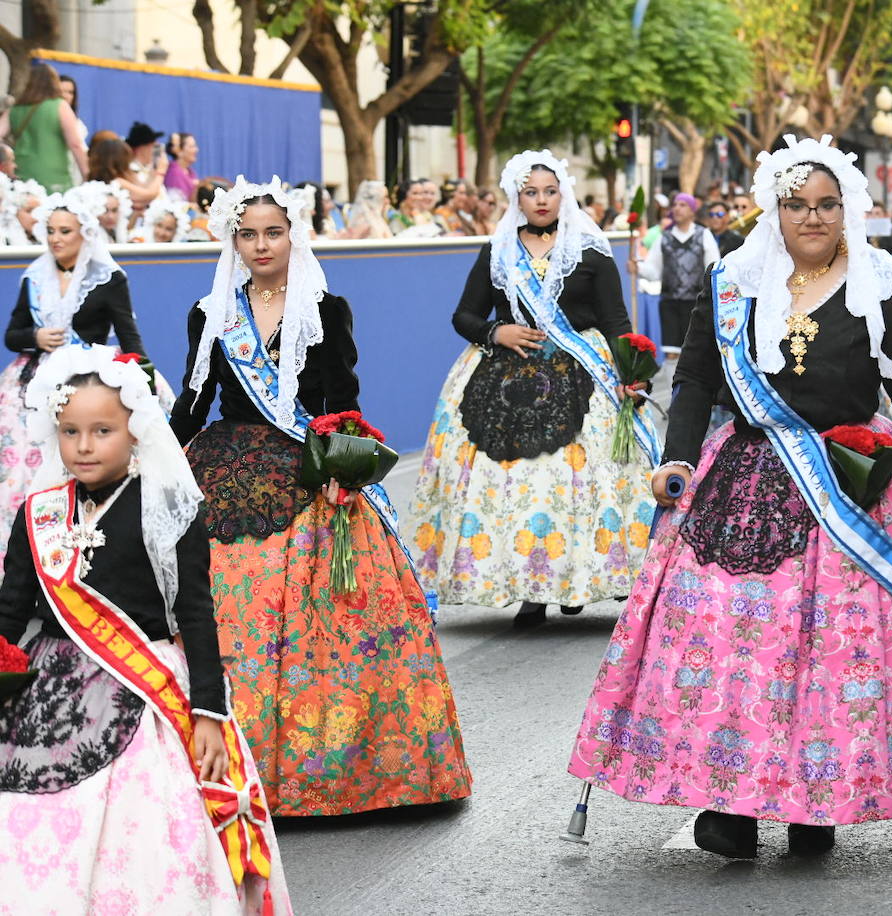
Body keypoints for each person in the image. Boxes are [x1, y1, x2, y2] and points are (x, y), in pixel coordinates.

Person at [567, 135, 892, 859]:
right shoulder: (733, 281)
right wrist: (677, 457)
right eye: (797, 204)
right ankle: (729, 806)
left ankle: (817, 805)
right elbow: (699, 381)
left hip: (852, 479)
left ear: (848, 209)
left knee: (835, 653)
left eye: (826, 205)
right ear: (774, 208)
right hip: (742, 477)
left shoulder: (885, 284)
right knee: (726, 644)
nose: (812, 217)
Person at [169, 177, 471, 815]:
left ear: (293, 235)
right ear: (232, 240)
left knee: (339, 612)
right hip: (229, 464)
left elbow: (343, 396)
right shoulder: (210, 312)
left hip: (309, 462)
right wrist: (158, 458)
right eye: (246, 235)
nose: (260, 245)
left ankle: (344, 768)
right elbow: (193, 401)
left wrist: (343, 461)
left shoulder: (324, 307)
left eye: (272, 233)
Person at [0, 345, 291, 913]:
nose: (83, 446)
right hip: (47, 691)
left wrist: (209, 712)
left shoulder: (168, 508)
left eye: (102, 430)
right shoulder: (37, 512)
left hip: (145, 691)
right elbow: (11, 609)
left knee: (145, 829)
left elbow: (196, 614)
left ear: (136, 431)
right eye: (70, 431)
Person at [407, 150, 656, 627]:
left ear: (564, 193)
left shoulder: (590, 250)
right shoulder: (497, 250)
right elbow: (464, 315)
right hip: (507, 378)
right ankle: (532, 592)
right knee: (519, 483)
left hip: (582, 373)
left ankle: (578, 580)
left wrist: (632, 373)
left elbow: (615, 320)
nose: (541, 200)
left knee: (576, 481)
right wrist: (495, 332)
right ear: (515, 197)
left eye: (549, 191)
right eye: (530, 192)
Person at [0, 189, 150, 568]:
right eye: (50, 230)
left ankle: (85, 552)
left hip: (87, 379)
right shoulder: (33, 276)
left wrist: (137, 377)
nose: (55, 239)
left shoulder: (108, 278)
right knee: (22, 465)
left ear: (84, 232)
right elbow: (12, 334)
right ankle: (23, 559)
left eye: (64, 231)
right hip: (33, 382)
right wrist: (35, 337)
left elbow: (129, 336)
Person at [629, 191, 720, 356]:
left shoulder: (704, 235)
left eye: (683, 205)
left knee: (694, 352)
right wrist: (638, 268)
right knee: (672, 353)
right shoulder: (664, 238)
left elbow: (713, 269)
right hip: (670, 303)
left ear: (692, 211)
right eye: (675, 205)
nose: (677, 209)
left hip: (696, 304)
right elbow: (654, 271)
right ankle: (674, 383)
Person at [1, 62, 87, 191]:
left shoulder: (15, 109)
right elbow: (75, 144)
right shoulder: (60, 106)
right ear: (54, 83)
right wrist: (87, 174)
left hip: (23, 177)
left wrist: (7, 159)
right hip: (54, 179)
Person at [88, 135, 166, 214]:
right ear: (120, 161)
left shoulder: (104, 181)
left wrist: (154, 171)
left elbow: (143, 189)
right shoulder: (116, 183)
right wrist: (161, 172)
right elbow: (148, 195)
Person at [78, 179, 133, 244]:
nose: (110, 217)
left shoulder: (119, 232)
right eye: (104, 211)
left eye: (114, 210)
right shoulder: (88, 239)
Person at [165, 131, 201, 202]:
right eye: (192, 146)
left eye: (195, 146)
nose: (196, 150)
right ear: (179, 151)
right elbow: (178, 205)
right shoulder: (174, 173)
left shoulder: (190, 172)